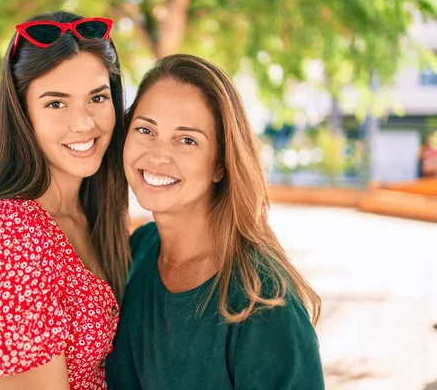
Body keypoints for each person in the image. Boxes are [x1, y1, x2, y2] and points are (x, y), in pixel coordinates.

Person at [106, 54, 325, 389]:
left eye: (187, 140)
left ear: (220, 165)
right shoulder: (136, 251)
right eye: (146, 129)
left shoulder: (263, 301)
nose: (158, 154)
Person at [0, 11, 131, 390]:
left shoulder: (94, 215)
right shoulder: (7, 233)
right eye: (56, 104)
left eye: (97, 97)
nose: (84, 123)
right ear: (22, 114)